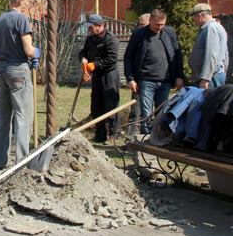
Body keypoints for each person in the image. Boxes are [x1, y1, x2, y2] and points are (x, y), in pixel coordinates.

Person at [0, 0, 38, 171]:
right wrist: (36, 53)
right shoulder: (22, 19)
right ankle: (22, 163)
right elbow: (28, 49)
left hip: (2, 69)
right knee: (22, 117)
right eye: (28, 1)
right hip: (18, 70)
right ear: (20, 0)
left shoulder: (0, 20)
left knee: (2, 118)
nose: (29, 4)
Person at [124, 9, 185, 134]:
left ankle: (156, 138)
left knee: (161, 112)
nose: (160, 27)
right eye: (157, 24)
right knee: (147, 113)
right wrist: (130, 78)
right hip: (146, 80)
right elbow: (128, 57)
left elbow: (177, 56)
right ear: (150, 21)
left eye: (162, 24)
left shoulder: (169, 32)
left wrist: (179, 76)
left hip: (165, 81)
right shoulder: (139, 35)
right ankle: (145, 140)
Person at [78, 13, 120, 143]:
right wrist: (83, 58)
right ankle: (100, 134)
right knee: (96, 105)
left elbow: (111, 59)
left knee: (111, 104)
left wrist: (94, 65)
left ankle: (113, 134)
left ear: (100, 26)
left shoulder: (110, 39)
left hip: (109, 74)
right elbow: (83, 51)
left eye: (91, 27)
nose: (89, 30)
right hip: (97, 75)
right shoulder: (90, 39)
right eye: (89, 28)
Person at [189, 3, 229, 89]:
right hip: (216, 75)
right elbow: (226, 54)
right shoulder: (218, 27)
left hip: (211, 78)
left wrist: (205, 79)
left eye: (194, 18)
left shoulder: (211, 28)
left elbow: (211, 55)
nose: (194, 21)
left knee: (208, 101)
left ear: (199, 16)